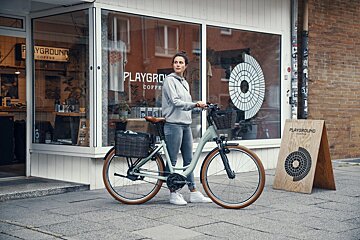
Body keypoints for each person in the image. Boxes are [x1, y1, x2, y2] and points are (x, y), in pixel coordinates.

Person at [162, 51, 212, 205]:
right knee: (172, 160)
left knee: (189, 160)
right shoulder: (169, 80)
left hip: (185, 125)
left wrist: (200, 107)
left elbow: (186, 106)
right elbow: (176, 102)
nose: (178, 65)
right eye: (175, 62)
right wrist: (195, 104)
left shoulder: (184, 83)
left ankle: (193, 191)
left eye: (181, 63)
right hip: (173, 124)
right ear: (173, 65)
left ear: (186, 66)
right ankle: (173, 193)